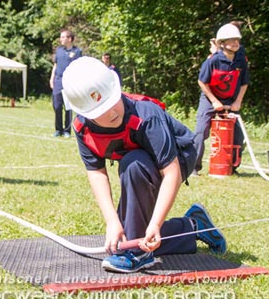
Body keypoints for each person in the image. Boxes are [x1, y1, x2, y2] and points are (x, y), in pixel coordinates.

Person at [62, 56, 226, 273]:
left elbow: (171, 172)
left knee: (133, 165)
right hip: (138, 162)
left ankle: (138, 254)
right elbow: (96, 173)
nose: (112, 112)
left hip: (178, 157)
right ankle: (194, 226)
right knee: (131, 219)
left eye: (113, 101)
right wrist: (112, 221)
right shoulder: (82, 128)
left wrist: (156, 224)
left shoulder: (147, 116)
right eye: (101, 111)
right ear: (84, 113)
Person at [192, 23, 249, 175]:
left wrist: (237, 102)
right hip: (210, 98)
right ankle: (193, 167)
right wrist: (214, 101)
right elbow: (202, 81)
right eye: (231, 40)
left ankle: (231, 167)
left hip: (231, 100)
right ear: (222, 43)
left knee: (237, 135)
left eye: (237, 40)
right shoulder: (213, 61)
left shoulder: (241, 61)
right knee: (200, 131)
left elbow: (244, 83)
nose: (235, 43)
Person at [50, 30, 82, 137]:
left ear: (69, 39)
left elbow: (79, 68)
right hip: (58, 81)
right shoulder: (59, 51)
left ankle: (67, 131)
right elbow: (55, 65)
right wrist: (52, 78)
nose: (61, 39)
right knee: (57, 106)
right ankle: (58, 129)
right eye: (61, 37)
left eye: (63, 37)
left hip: (69, 83)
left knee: (68, 107)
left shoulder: (77, 52)